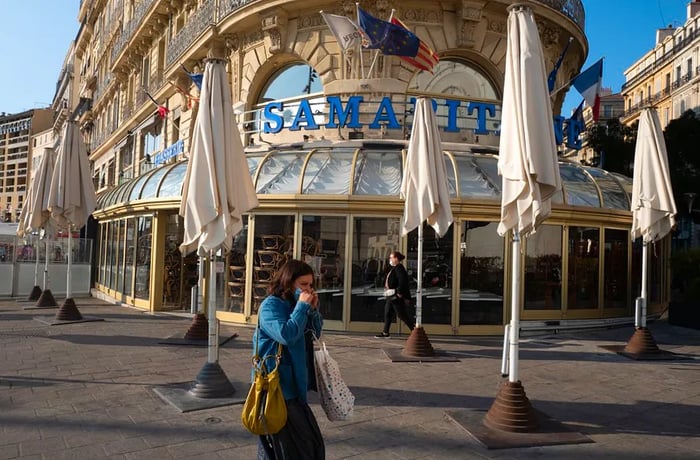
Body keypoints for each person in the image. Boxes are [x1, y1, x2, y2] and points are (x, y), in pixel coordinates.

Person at [255, 259, 325, 460]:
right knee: (298, 446)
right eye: (303, 285)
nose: (308, 289)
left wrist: (313, 311)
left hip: (296, 386)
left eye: (311, 285)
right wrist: (302, 307)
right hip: (277, 387)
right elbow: (286, 334)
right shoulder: (271, 306)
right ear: (288, 282)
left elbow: (314, 333)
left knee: (294, 446)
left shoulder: (296, 304)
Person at [375, 251, 415, 338]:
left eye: (391, 258)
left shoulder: (399, 268)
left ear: (396, 259)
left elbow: (403, 281)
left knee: (401, 314)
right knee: (388, 312)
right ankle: (385, 332)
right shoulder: (395, 268)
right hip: (391, 296)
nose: (390, 259)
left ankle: (414, 331)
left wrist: (399, 292)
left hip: (395, 296)